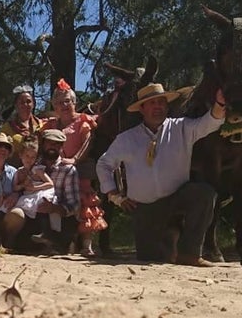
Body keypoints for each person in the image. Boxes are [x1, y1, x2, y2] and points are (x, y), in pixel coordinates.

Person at [96, 83, 226, 267]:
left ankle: (189, 253)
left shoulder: (182, 128)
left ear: (167, 106)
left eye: (161, 102)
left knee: (204, 193)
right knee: (150, 258)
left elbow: (210, 122)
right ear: (141, 109)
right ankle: (168, 240)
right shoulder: (127, 139)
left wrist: (220, 104)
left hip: (177, 199)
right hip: (145, 208)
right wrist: (114, 194)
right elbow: (104, 164)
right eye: (151, 103)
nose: (157, 107)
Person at [4, 139, 55, 247]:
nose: (29, 160)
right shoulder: (19, 171)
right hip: (28, 194)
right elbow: (15, 187)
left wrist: (36, 188)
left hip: (39, 191)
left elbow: (50, 183)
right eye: (27, 156)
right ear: (21, 155)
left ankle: (45, 231)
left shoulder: (38, 170)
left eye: (32, 157)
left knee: (42, 202)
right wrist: (23, 185)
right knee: (22, 206)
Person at [1, 85, 42, 166]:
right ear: (16, 105)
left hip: (38, 171)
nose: (25, 104)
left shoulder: (41, 124)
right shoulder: (7, 127)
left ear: (33, 104)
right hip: (14, 171)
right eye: (22, 102)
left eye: (28, 101)